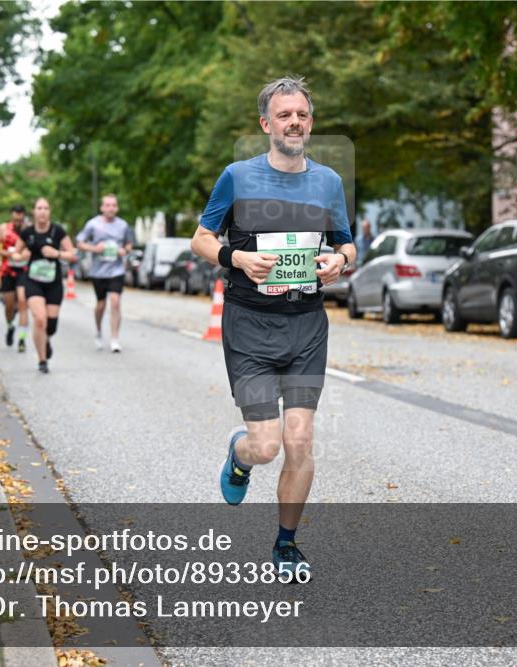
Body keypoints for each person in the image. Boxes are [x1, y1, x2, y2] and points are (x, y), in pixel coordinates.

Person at [190, 76, 356, 581]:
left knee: (299, 439)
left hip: (307, 325)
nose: (294, 122)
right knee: (266, 447)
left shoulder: (328, 182)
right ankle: (239, 456)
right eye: (284, 115)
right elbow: (200, 238)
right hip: (250, 326)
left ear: (311, 122)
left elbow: (348, 244)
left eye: (302, 114)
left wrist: (339, 262)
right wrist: (235, 256)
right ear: (266, 124)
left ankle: (286, 544)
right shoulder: (237, 177)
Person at [11, 197, 76, 373]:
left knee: (51, 325)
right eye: (39, 208)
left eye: (46, 208)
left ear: (49, 211)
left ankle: (46, 339)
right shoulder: (27, 233)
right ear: (33, 211)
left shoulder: (58, 231)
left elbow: (71, 254)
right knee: (40, 319)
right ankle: (42, 360)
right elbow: (15, 254)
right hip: (33, 281)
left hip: (53, 283)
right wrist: (21, 256)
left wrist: (57, 253)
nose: (42, 211)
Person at [75, 194, 134, 353]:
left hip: (116, 270)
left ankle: (114, 338)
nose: (110, 208)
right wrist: (95, 249)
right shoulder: (93, 224)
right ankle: (99, 330)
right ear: (102, 208)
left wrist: (124, 250)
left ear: (117, 208)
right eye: (107, 205)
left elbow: (129, 244)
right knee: (101, 305)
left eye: (113, 205)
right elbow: (79, 242)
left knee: (115, 302)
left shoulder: (122, 225)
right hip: (98, 272)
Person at [0, 204, 31, 351]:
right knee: (9, 306)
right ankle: (10, 327)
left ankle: (22, 340)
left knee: (22, 302)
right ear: (11, 216)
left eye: (20, 220)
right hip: (7, 271)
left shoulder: (29, 229)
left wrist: (27, 253)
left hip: (24, 270)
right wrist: (8, 254)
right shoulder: (3, 229)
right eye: (15, 220)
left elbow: (35, 246)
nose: (17, 223)